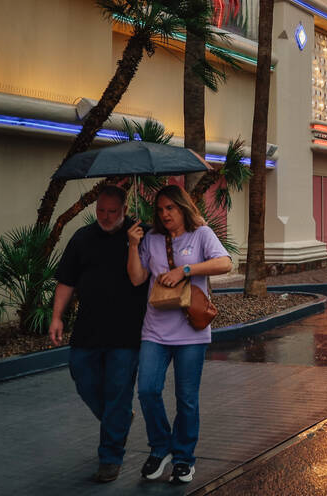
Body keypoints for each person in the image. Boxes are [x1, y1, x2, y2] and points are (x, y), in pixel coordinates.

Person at [128, 184, 232, 485]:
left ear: (182, 207)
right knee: (147, 389)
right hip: (155, 330)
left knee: (186, 399)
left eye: (170, 208)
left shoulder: (201, 234)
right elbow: (137, 278)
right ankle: (160, 447)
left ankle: (184, 458)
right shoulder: (151, 239)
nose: (164, 214)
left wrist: (185, 270)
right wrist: (134, 245)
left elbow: (225, 263)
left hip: (190, 332)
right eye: (160, 210)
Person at [49, 184, 146, 484]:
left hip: (127, 332)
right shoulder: (82, 238)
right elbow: (66, 281)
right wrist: (56, 317)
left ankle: (110, 457)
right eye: (100, 211)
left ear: (125, 210)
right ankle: (117, 419)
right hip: (88, 329)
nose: (105, 216)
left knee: (118, 391)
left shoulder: (142, 235)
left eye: (112, 212)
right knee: (82, 376)